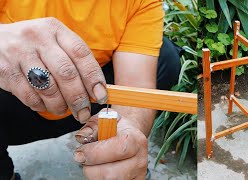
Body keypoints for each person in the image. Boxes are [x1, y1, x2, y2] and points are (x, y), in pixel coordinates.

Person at [0, 1, 182, 179]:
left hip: (91, 102)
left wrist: (128, 134)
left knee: (165, 58)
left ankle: (109, 153)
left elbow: (136, 89)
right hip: (14, 108)